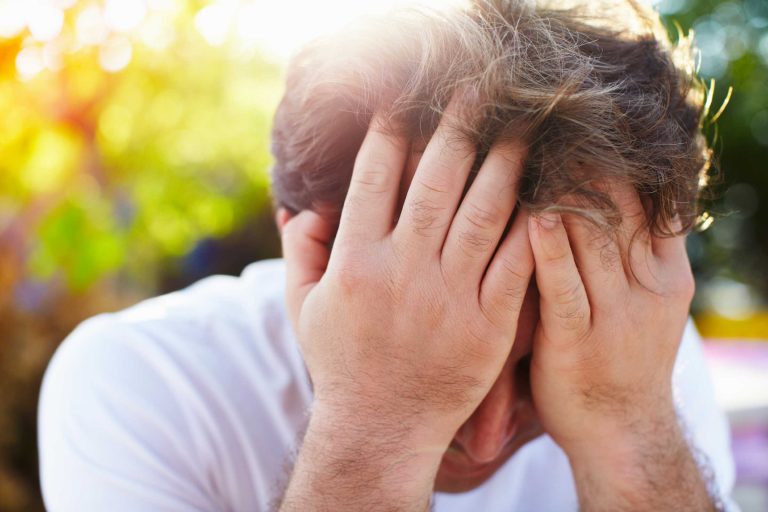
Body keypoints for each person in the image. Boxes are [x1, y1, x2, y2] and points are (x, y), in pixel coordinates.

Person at [38, 0, 737, 510]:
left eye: (531, 369)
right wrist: (378, 422)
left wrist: (629, 431)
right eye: (444, 350)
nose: (487, 440)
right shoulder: (142, 383)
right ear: (304, 249)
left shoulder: (642, 351)